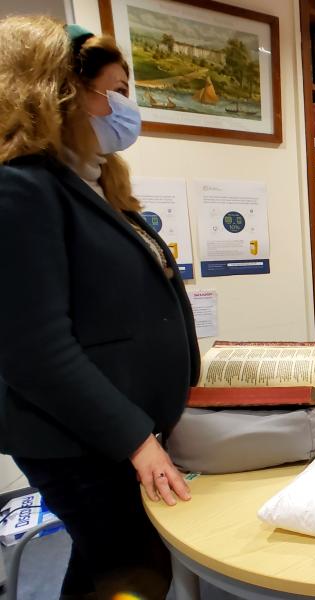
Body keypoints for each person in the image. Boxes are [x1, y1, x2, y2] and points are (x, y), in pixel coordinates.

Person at [0, 16, 200, 600]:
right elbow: (35, 351)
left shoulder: (91, 183)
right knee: (133, 567)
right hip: (79, 444)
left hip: (113, 435)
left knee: (103, 565)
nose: (123, 107)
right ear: (58, 92)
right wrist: (137, 439)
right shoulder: (21, 189)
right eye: (110, 92)